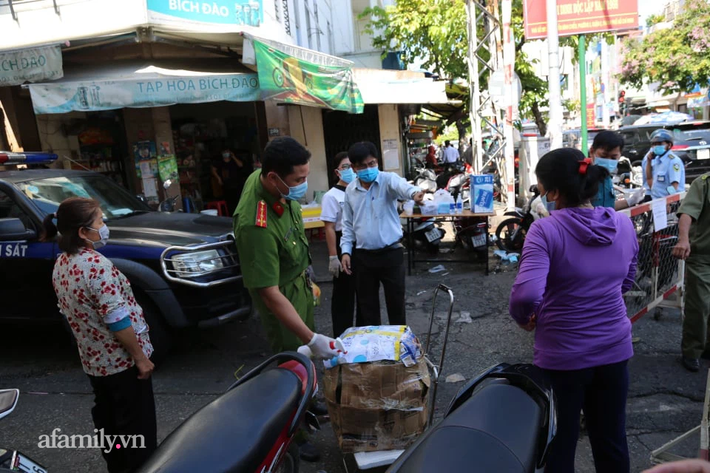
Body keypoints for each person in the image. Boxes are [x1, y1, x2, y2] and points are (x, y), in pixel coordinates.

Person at [509, 148, 638, 473]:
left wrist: (526, 318)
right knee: (611, 441)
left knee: (559, 444)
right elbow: (628, 278)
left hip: (562, 357)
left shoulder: (545, 230)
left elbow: (526, 295)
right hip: (614, 351)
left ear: (552, 191)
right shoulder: (623, 226)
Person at [233, 137, 340, 461]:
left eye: (305, 176)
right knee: (292, 365)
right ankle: (294, 434)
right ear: (272, 178)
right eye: (298, 181)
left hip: (296, 284)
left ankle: (308, 400)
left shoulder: (268, 178)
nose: (303, 186)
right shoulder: (255, 224)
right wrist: (311, 338)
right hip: (280, 296)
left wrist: (305, 277)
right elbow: (268, 293)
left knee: (304, 360)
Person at [42, 197, 157, 473]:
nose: (104, 227)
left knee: (111, 428)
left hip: (96, 365)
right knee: (137, 434)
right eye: (100, 221)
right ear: (83, 232)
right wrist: (140, 358)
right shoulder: (96, 266)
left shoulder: (61, 264)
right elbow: (117, 320)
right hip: (122, 365)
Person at [341, 141, 424, 326]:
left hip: (391, 254)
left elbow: (404, 187)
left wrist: (415, 193)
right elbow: (347, 224)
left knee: (396, 306)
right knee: (368, 309)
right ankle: (374, 351)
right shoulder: (350, 190)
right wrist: (345, 251)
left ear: (377, 162)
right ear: (354, 168)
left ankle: (399, 347)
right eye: (363, 166)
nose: (368, 168)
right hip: (363, 258)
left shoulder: (388, 180)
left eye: (372, 164)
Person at [321, 152, 361, 337]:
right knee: (344, 294)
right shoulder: (331, 196)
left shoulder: (359, 189)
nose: (349, 170)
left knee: (363, 291)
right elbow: (329, 228)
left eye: (351, 166)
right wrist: (333, 257)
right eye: (345, 167)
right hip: (341, 242)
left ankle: (362, 334)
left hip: (360, 244)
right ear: (337, 172)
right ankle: (342, 336)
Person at [673, 173, 710, 372]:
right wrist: (683, 239)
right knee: (700, 304)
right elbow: (687, 213)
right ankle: (692, 351)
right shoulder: (703, 183)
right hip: (703, 256)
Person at [589, 131, 645, 210]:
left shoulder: (606, 178)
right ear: (592, 151)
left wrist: (630, 201)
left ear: (619, 156)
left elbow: (608, 207)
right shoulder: (584, 178)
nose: (608, 160)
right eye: (603, 156)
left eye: (613, 157)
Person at [645, 129, 685, 199]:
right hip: (657, 200)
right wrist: (649, 162)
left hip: (669, 203)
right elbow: (649, 178)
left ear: (669, 145)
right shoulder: (656, 160)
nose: (656, 146)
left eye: (660, 144)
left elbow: (674, 186)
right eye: (654, 144)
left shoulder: (673, 161)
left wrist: (669, 202)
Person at [211, 148, 251, 215]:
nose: (226, 154)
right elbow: (213, 169)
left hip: (237, 184)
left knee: (239, 200)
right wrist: (218, 178)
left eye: (227, 152)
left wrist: (233, 156)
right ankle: (232, 215)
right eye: (224, 152)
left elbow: (240, 165)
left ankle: (240, 213)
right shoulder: (219, 162)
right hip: (226, 185)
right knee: (229, 202)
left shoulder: (234, 160)